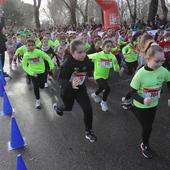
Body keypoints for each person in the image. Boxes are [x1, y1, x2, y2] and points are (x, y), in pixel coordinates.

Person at [122, 42, 170, 159]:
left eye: (162, 61)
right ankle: (145, 145)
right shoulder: (140, 74)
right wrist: (143, 100)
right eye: (156, 61)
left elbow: (169, 82)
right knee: (147, 127)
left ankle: (129, 106)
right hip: (141, 104)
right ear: (147, 58)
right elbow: (132, 92)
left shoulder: (163, 71)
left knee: (150, 123)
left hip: (153, 103)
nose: (160, 64)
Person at [53, 39, 97, 143]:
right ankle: (58, 107)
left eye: (84, 51)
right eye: (80, 52)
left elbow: (89, 66)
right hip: (68, 90)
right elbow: (60, 80)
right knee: (68, 108)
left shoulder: (85, 58)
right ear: (72, 53)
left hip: (80, 88)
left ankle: (88, 131)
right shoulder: (67, 64)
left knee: (88, 109)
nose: (83, 54)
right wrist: (70, 84)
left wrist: (90, 76)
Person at [88, 40, 120, 112]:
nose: (109, 48)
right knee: (107, 89)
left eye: (111, 47)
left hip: (105, 76)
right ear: (102, 47)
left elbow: (116, 69)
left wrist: (116, 65)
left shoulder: (112, 56)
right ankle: (104, 102)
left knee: (102, 87)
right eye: (107, 46)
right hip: (98, 76)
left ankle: (95, 94)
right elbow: (86, 57)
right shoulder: (97, 55)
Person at [22, 39, 54, 109]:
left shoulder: (39, 52)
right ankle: (38, 100)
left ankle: (42, 84)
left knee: (42, 86)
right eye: (29, 45)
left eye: (32, 45)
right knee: (35, 86)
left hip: (42, 72)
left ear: (35, 46)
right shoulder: (26, 55)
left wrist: (51, 65)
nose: (30, 47)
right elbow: (24, 66)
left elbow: (47, 57)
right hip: (33, 73)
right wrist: (31, 73)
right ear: (26, 46)